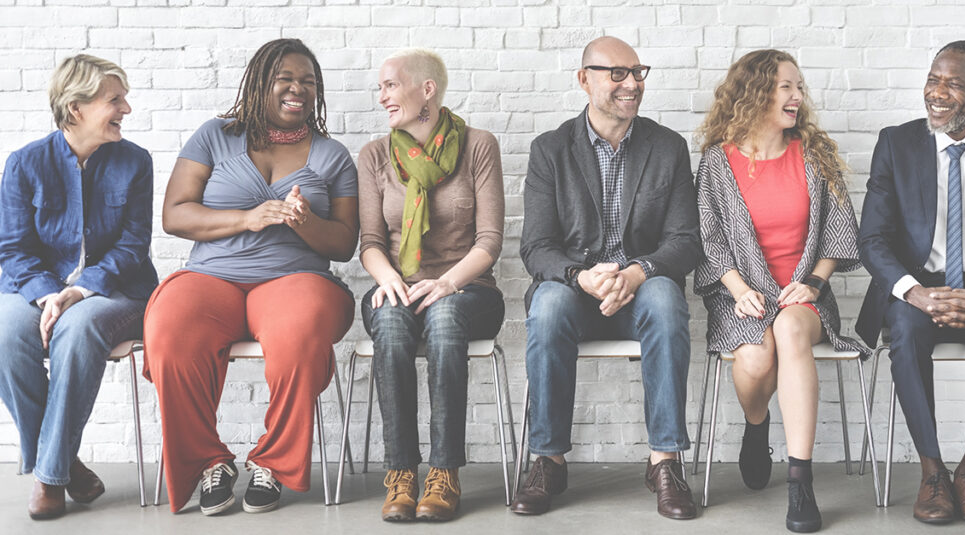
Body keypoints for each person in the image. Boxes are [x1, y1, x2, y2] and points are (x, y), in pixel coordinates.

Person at [142, 38, 358, 515]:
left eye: (308, 81)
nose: (297, 89)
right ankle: (207, 463)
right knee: (169, 331)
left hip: (295, 277)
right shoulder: (214, 136)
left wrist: (306, 223)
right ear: (261, 83)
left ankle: (274, 465)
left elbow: (344, 244)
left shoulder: (333, 155)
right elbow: (175, 215)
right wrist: (247, 217)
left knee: (300, 333)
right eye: (285, 78)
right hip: (211, 276)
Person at [513, 36, 701, 520]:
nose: (631, 83)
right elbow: (536, 247)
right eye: (616, 73)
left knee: (664, 299)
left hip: (641, 290)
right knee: (548, 304)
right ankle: (549, 460)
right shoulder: (550, 150)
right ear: (584, 80)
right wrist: (581, 277)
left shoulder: (668, 147)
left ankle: (665, 462)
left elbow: (685, 240)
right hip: (577, 292)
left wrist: (637, 272)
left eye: (637, 72)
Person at [693, 49, 864, 533]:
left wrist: (811, 283)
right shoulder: (716, 164)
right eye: (785, 86)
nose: (797, 96)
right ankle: (755, 425)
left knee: (788, 329)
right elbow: (709, 239)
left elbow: (840, 232)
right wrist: (737, 287)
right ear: (755, 93)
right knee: (755, 360)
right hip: (739, 293)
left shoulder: (813, 156)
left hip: (802, 297)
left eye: (798, 87)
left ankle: (799, 480)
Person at [857, 40, 965, 526]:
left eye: (953, 83)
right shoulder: (896, 142)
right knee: (905, 331)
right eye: (934, 79)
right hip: (917, 285)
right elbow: (873, 238)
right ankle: (932, 471)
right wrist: (914, 292)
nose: (938, 92)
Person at [0, 54, 157, 520]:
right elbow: (12, 248)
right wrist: (51, 293)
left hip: (116, 293)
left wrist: (79, 290)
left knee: (77, 328)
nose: (126, 109)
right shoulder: (24, 164)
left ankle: (49, 478)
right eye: (115, 100)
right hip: (36, 290)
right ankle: (65, 460)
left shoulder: (135, 162)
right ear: (76, 109)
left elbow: (133, 245)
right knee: (6, 334)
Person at [358, 48, 505, 522]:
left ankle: (444, 472)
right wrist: (390, 282)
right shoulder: (375, 155)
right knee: (394, 326)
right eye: (380, 87)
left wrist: (445, 282)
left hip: (469, 287)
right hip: (398, 284)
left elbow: (489, 241)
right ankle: (401, 473)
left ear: (427, 90)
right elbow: (371, 242)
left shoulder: (479, 145)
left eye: (390, 85)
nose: (382, 97)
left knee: (443, 319)